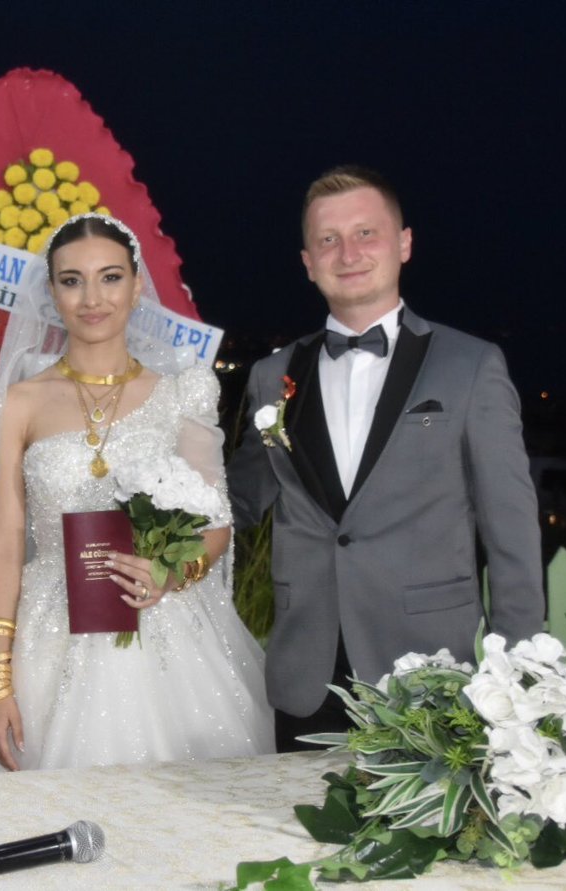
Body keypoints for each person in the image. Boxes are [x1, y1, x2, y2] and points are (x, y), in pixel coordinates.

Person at [0, 213, 272, 775]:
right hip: (46, 635)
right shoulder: (20, 402)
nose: (92, 298)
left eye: (110, 277)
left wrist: (170, 574)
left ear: (137, 286)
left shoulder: (183, 392)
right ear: (52, 293)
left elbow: (216, 523)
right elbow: (5, 541)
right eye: (72, 281)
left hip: (163, 628)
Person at [226, 166, 544, 752]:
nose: (348, 253)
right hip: (308, 676)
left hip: (433, 675)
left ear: (404, 244)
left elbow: (512, 531)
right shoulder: (272, 376)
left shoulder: (471, 366)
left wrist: (519, 671)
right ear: (308, 261)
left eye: (366, 233)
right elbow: (237, 501)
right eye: (328, 239)